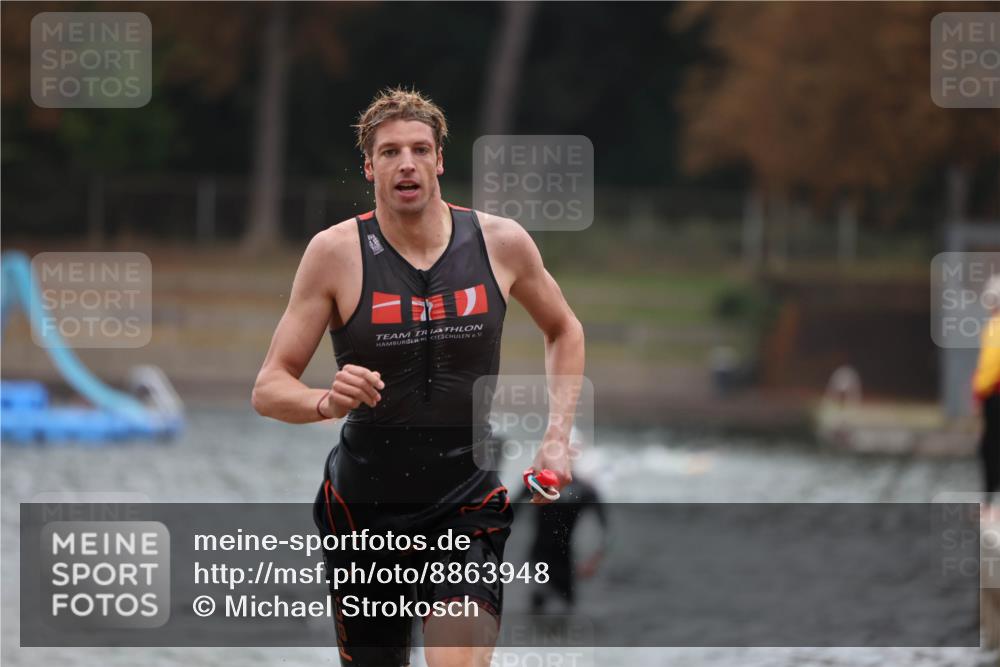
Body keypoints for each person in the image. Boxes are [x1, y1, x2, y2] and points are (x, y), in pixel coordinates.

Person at [251, 87, 585, 667]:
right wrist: (327, 401)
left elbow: (565, 329)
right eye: (389, 152)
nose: (406, 162)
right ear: (369, 166)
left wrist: (556, 435)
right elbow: (269, 387)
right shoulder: (334, 253)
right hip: (365, 509)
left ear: (439, 161)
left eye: (419, 149)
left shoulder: (500, 243)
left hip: (466, 501)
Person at [512, 427, 608, 614]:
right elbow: (508, 515)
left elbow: (606, 529)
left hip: (565, 562)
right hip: (538, 557)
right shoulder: (537, 483)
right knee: (540, 608)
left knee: (565, 612)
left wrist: (594, 561)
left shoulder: (585, 490)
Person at [974, 274, 1000, 504]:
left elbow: (989, 368)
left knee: (989, 449)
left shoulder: (995, 327)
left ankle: (990, 502)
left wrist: (978, 393)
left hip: (995, 398)